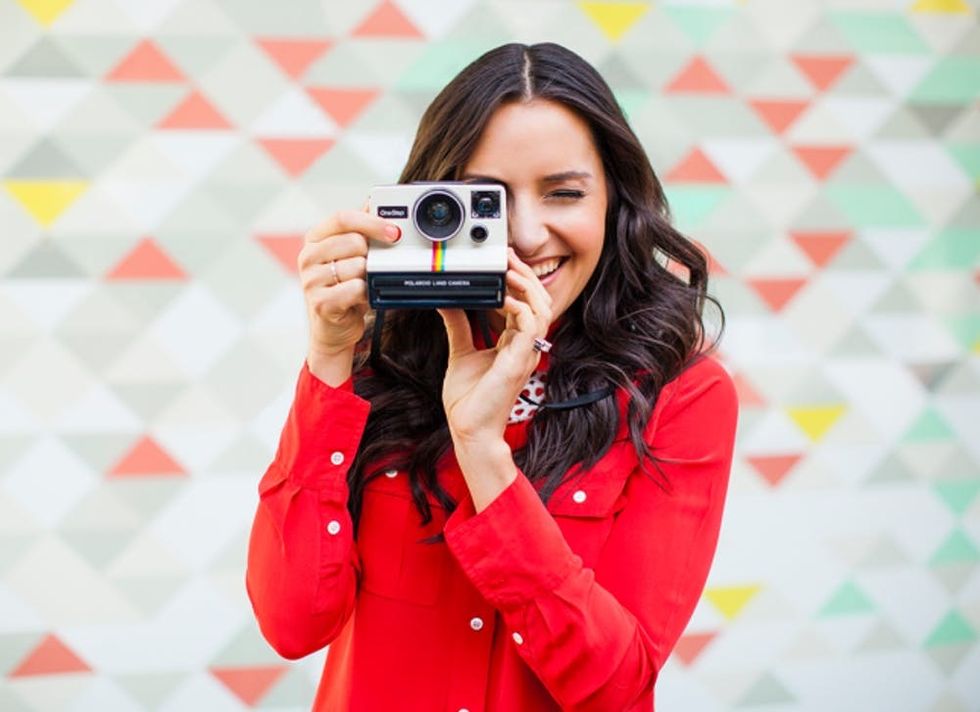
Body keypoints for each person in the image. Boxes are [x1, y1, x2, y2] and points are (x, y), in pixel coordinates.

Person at [246, 42, 738, 711]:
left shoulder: (682, 395)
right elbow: (291, 624)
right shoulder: (380, 366)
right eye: (489, 201)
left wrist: (482, 453)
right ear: (434, 203)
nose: (527, 235)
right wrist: (329, 359)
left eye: (564, 193)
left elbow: (616, 687)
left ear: (614, 201)